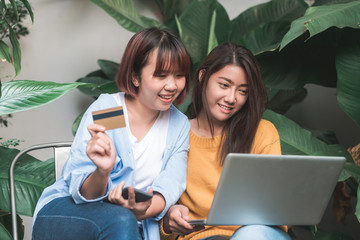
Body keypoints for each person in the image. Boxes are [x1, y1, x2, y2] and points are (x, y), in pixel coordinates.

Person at [32, 27, 191, 240]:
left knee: (124, 220)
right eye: (160, 75)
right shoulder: (111, 110)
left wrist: (143, 209)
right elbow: (85, 196)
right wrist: (102, 171)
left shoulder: (178, 124)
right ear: (135, 77)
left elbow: (170, 185)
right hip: (67, 215)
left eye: (179, 76)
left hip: (125, 227)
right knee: (122, 219)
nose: (172, 85)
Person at [159, 42, 290, 240]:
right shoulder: (175, 134)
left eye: (242, 91)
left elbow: (276, 210)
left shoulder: (262, 132)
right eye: (224, 85)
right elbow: (161, 218)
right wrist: (169, 220)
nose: (231, 98)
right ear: (203, 77)